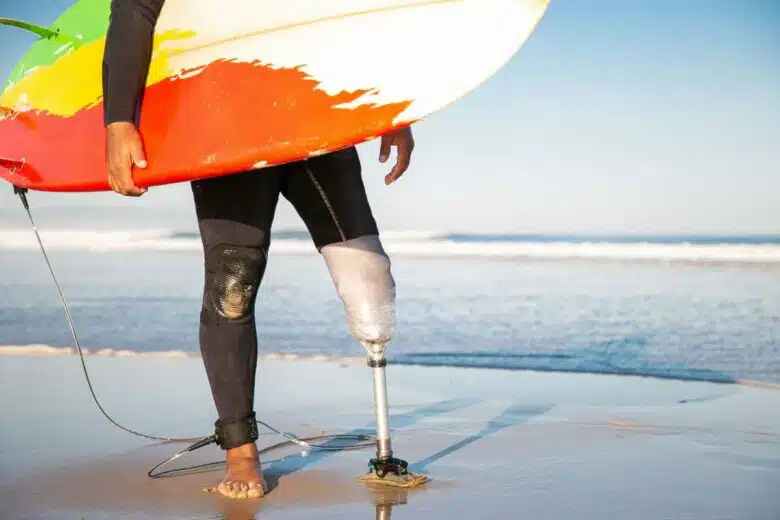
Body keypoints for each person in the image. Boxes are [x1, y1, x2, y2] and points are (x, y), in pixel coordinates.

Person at [102, 0, 415, 500]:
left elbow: (357, 11)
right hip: (224, 114)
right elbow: (135, 7)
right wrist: (119, 119)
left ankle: (385, 444)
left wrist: (391, 105)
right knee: (233, 282)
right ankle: (240, 448)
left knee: (368, 275)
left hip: (315, 108)